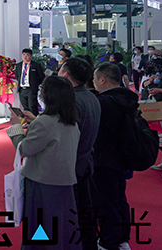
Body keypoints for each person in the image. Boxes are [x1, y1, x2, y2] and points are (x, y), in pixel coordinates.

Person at [7, 76, 81, 250]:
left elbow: (24, 149)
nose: (40, 94)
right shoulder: (70, 120)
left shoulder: (45, 122)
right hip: (64, 184)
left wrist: (16, 127)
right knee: (61, 225)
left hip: (42, 183)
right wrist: (35, 120)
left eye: (42, 90)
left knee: (40, 226)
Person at [92, 62, 138, 250]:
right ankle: (122, 238)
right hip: (123, 156)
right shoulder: (127, 98)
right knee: (119, 199)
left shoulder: (104, 102)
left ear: (102, 80)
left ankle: (108, 241)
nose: (93, 82)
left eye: (95, 79)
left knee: (106, 202)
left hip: (104, 159)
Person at [59, 57, 101, 250]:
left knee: (72, 213)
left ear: (66, 75)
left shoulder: (71, 101)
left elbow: (63, 138)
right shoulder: (92, 96)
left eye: (60, 71)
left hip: (72, 165)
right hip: (86, 162)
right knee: (85, 210)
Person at [15, 48, 45, 115]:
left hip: (31, 89)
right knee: (25, 107)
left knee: (32, 106)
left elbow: (41, 77)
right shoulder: (18, 65)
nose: (25, 57)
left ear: (31, 56)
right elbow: (17, 76)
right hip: (22, 89)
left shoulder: (36, 65)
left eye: (27, 55)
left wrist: (35, 84)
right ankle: (27, 120)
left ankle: (35, 119)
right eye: (23, 54)